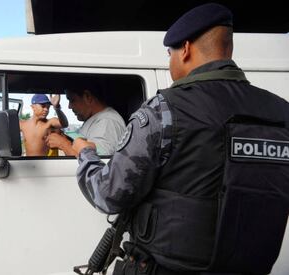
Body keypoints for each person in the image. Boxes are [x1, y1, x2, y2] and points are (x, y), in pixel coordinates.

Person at [72, 3, 289, 275]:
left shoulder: (164, 111)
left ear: (185, 49)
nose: (170, 61)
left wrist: (85, 155)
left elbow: (109, 195)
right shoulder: (282, 113)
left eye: (170, 53)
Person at [45, 87, 126, 156]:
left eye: (72, 100)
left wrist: (63, 144)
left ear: (88, 97)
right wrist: (66, 140)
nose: (69, 106)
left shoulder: (108, 122)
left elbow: (98, 165)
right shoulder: (97, 119)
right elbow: (87, 148)